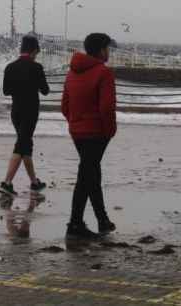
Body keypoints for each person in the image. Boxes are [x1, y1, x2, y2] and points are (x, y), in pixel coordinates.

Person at [62, 33, 118, 239]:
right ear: (101, 50)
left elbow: (64, 106)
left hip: (78, 131)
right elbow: (106, 107)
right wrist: (110, 130)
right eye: (107, 48)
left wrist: (75, 124)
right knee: (86, 176)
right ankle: (75, 223)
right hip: (97, 132)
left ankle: (102, 220)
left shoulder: (71, 73)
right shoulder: (103, 73)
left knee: (91, 173)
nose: (109, 52)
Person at [0, 35, 49, 197]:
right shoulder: (36, 67)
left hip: (16, 111)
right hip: (30, 111)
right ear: (34, 50)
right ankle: (6, 183)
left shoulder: (10, 67)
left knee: (25, 144)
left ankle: (35, 183)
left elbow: (6, 91)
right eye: (37, 52)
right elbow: (45, 90)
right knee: (21, 145)